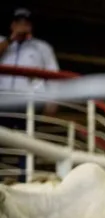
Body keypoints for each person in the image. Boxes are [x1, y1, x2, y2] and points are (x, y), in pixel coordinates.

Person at [0, 7, 60, 182]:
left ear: (31, 26)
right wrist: (11, 40)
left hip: (29, 101)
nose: (22, 26)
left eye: (26, 23)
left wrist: (52, 101)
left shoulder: (42, 47)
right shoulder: (2, 42)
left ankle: (24, 180)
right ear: (12, 25)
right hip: (2, 99)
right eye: (18, 22)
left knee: (26, 141)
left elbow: (53, 75)